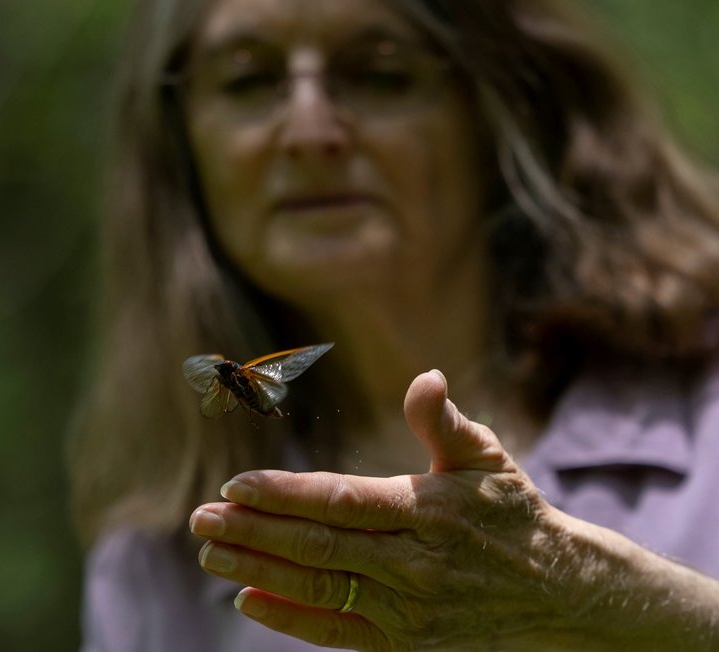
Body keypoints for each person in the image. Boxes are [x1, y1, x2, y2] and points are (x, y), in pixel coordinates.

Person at [68, 0, 719, 649]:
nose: (309, 131)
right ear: (183, 147)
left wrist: (617, 601)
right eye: (248, 81)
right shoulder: (162, 564)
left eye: (380, 75)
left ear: (497, 115)